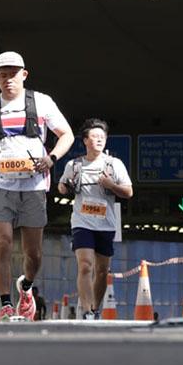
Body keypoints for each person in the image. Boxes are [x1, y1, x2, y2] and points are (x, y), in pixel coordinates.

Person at [0, 51, 74, 322]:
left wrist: (52, 157)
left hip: (34, 186)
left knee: (33, 253)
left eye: (13, 73)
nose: (8, 79)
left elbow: (66, 134)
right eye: (3, 74)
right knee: (3, 242)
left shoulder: (41, 103)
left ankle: (26, 286)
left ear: (24, 74)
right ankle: (6, 304)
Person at [57, 118, 133, 319]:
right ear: (85, 140)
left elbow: (128, 191)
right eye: (95, 136)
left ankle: (95, 309)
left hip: (106, 222)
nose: (99, 140)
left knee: (101, 271)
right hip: (82, 222)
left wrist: (111, 185)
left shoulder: (114, 164)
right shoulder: (74, 165)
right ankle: (88, 311)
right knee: (85, 265)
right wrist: (66, 187)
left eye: (103, 137)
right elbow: (61, 186)